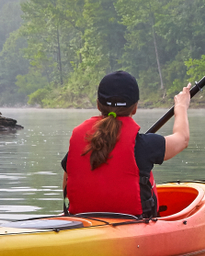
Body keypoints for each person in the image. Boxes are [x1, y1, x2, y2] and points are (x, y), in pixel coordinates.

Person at [61, 71, 191, 218]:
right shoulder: (144, 145)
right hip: (132, 223)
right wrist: (180, 106)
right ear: (135, 108)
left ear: (98, 105)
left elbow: (67, 183)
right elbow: (182, 139)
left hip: (82, 221)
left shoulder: (82, 144)